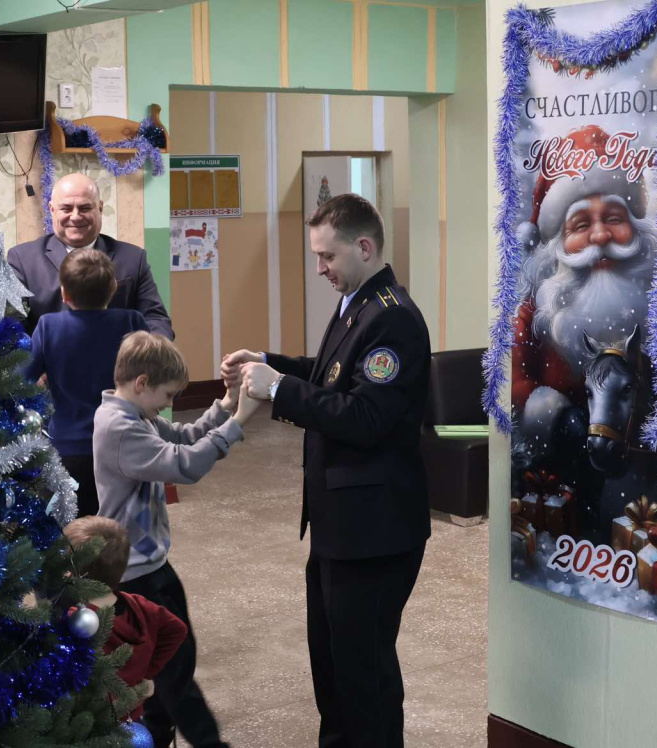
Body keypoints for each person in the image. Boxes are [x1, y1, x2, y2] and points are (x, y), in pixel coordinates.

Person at [222, 194, 431, 748]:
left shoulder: (392, 317)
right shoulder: (358, 304)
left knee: (364, 677)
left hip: (375, 531)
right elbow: (331, 373)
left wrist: (279, 390)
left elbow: (365, 418)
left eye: (327, 256)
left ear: (364, 247)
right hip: (342, 524)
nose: (320, 268)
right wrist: (268, 364)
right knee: (333, 667)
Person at [93, 331, 260, 748]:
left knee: (168, 659)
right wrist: (238, 423)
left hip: (151, 565)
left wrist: (226, 402)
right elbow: (184, 464)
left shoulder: (137, 415)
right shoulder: (119, 427)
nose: (168, 404)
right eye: (167, 395)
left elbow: (184, 437)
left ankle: (154, 734)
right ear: (142, 382)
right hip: (135, 574)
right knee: (176, 670)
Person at [511, 125, 656, 443]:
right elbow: (515, 384)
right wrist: (557, 418)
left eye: (614, 218)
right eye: (581, 224)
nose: (601, 235)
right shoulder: (533, 317)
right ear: (557, 245)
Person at [23, 249, 148, 516]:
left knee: (76, 523)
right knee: (121, 520)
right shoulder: (132, 321)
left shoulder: (48, 326)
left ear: (64, 293)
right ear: (113, 288)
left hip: (69, 447)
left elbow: (23, 379)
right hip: (124, 441)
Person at [7, 173, 173, 338]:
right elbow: (11, 327)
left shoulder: (133, 258)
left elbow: (156, 319)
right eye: (66, 208)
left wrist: (149, 350)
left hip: (120, 355)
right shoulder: (22, 260)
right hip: (46, 355)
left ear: (100, 208)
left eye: (85, 208)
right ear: (52, 209)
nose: (75, 216)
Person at [62, 515, 188, 721]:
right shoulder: (139, 605)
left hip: (92, 723)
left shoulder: (77, 622)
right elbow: (177, 629)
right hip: (133, 715)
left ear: (75, 575)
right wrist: (147, 674)